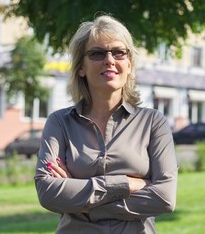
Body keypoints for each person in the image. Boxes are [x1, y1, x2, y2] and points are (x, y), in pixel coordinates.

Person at [34, 14, 178, 234]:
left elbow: (164, 198)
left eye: (119, 52)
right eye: (97, 53)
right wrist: (126, 185)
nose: (109, 60)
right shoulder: (59, 123)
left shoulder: (153, 123)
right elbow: (47, 192)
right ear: (80, 67)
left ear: (129, 64)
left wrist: (80, 200)